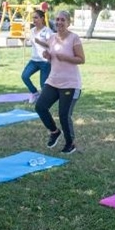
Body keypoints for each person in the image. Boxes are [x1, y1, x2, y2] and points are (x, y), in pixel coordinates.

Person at [35, 10, 85, 155]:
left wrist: (65, 57)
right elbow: (53, 58)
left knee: (64, 115)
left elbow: (81, 59)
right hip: (53, 80)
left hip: (70, 83)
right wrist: (48, 56)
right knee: (40, 107)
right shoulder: (52, 38)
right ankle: (54, 131)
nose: (59, 22)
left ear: (68, 22)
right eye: (57, 20)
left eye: (63, 20)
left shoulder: (74, 38)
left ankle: (70, 143)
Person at [21, 9, 53, 104]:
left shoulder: (47, 31)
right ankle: (34, 93)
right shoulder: (32, 31)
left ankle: (44, 101)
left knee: (43, 84)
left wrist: (40, 42)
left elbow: (51, 45)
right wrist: (23, 38)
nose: (34, 20)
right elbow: (30, 41)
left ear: (42, 18)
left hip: (45, 61)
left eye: (36, 18)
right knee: (24, 76)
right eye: (33, 18)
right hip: (34, 60)